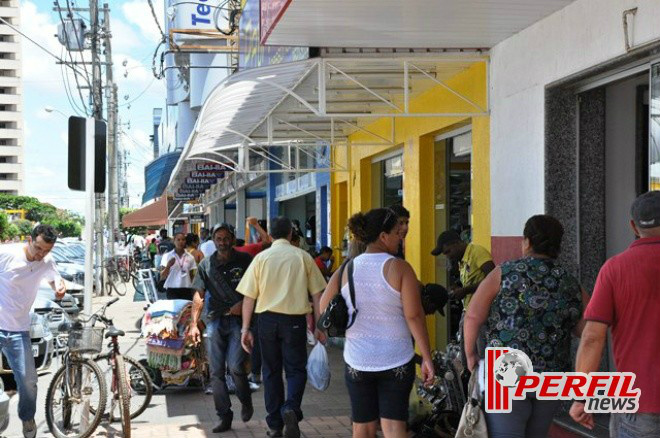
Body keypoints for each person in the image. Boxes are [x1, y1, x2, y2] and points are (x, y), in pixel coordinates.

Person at [464, 215, 589, 438]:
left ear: (527, 241)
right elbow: (586, 330)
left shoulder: (503, 273)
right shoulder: (569, 281)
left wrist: (470, 354)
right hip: (551, 372)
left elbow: (473, 315)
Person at [320, 208, 434, 438]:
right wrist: (427, 357)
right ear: (383, 236)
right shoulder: (400, 267)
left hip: (357, 360)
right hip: (396, 360)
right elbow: (414, 315)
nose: (401, 236)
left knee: (362, 428)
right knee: (394, 428)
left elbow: (324, 307)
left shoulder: (346, 269)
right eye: (396, 232)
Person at [570, 191, 660, 436]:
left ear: (633, 226)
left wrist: (582, 396)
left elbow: (591, 338)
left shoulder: (615, 269)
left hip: (637, 403)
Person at [237, 217, 327, 438]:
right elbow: (317, 295)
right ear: (289, 234)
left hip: (266, 321)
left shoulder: (261, 259)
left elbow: (249, 297)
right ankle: (291, 408)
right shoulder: (303, 257)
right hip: (294, 322)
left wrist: (245, 329)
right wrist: (319, 325)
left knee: (271, 371)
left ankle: (275, 424)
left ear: (271, 234)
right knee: (296, 369)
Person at [0, 224, 66, 438]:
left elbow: (56, 277)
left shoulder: (46, 261)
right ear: (30, 240)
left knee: (28, 382)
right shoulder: (7, 254)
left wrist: (59, 287)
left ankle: (27, 417)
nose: (41, 254)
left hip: (18, 329)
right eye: (38, 248)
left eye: (46, 251)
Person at [189, 224, 254, 433]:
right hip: (215, 321)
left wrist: (243, 305)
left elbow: (257, 288)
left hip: (238, 322)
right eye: (219, 238)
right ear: (214, 240)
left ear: (233, 239)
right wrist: (193, 324)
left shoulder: (245, 261)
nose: (223, 242)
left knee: (235, 367)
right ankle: (224, 416)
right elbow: (199, 295)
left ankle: (246, 400)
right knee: (216, 372)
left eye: (226, 238)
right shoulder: (206, 265)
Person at [430, 230, 494, 309]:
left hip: (483, 309)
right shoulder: (461, 260)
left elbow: (493, 279)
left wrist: (465, 290)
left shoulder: (477, 252)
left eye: (448, 251)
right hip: (470, 309)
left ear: (457, 243)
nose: (448, 256)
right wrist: (458, 289)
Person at [160, 232, 197, 300]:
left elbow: (192, 276)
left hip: (186, 289)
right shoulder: (167, 256)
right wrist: (168, 266)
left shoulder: (190, 257)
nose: (181, 242)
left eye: (183, 240)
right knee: (174, 310)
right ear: (174, 241)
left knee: (186, 310)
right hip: (172, 289)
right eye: (178, 240)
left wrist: (194, 291)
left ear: (185, 241)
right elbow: (162, 276)